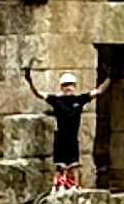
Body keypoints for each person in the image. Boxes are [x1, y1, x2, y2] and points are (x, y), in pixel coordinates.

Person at [22, 65, 98, 193]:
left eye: (71, 84)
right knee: (60, 165)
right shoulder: (56, 100)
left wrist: (109, 78)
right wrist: (30, 81)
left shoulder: (79, 100)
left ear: (74, 86)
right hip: (61, 137)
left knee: (74, 165)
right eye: (66, 85)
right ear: (62, 87)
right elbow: (38, 94)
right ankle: (57, 186)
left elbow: (97, 92)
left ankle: (76, 187)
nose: (69, 87)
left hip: (73, 138)